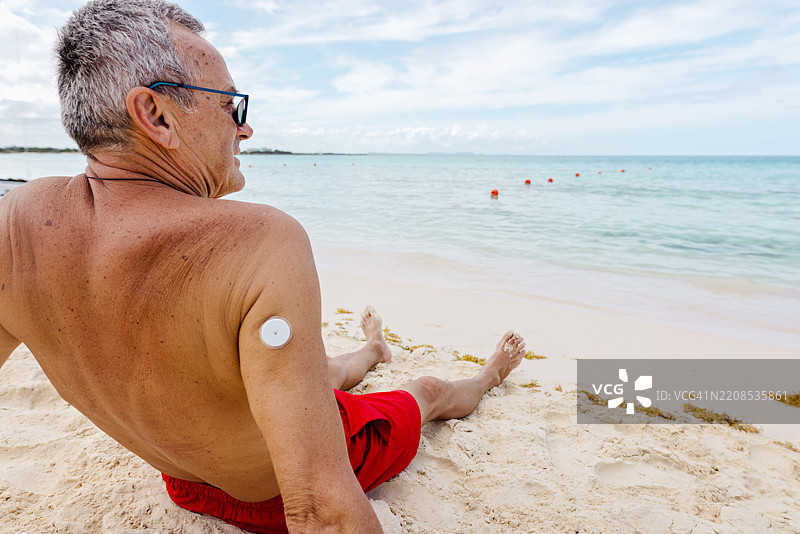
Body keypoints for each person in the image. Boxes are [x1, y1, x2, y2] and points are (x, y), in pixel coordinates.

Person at [0, 0, 527, 532]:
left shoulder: (13, 225)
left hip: (185, 482)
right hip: (274, 496)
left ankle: (370, 351)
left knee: (311, 372)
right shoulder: (258, 244)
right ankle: (490, 374)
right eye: (232, 105)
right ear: (156, 115)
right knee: (427, 391)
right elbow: (321, 511)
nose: (245, 130)